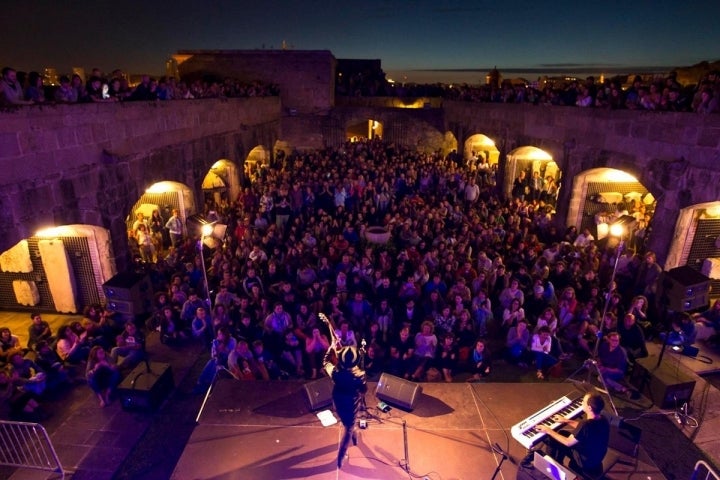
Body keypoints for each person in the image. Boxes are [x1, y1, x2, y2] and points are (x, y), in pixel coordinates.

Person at [537, 393, 610, 477]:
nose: (582, 403)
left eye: (583, 402)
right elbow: (585, 429)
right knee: (562, 434)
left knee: (552, 439)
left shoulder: (585, 424)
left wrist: (548, 430)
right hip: (596, 456)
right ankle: (557, 461)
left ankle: (555, 468)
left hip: (585, 461)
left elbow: (568, 442)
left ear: (589, 408)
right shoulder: (603, 419)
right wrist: (566, 420)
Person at [323, 345, 367, 468]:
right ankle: (341, 457)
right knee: (348, 428)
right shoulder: (360, 374)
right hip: (351, 404)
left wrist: (330, 348)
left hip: (337, 402)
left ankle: (354, 437)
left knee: (348, 423)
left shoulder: (335, 372)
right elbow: (364, 390)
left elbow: (325, 362)